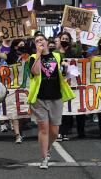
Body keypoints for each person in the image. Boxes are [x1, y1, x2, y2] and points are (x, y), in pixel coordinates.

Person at [28, 33, 75, 169]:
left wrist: (66, 69)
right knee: (43, 129)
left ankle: (47, 147)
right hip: (39, 99)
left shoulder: (57, 56)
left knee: (54, 131)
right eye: (37, 41)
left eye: (41, 40)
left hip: (56, 97)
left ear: (47, 42)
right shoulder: (32, 58)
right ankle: (44, 158)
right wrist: (38, 54)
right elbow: (36, 72)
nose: (39, 42)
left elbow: (65, 74)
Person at [0, 38, 28, 144]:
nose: (23, 46)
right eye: (21, 44)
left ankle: (21, 129)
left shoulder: (29, 56)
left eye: (24, 44)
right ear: (15, 47)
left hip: (26, 88)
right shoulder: (10, 56)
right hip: (13, 87)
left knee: (24, 113)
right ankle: (17, 135)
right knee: (15, 112)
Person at [56, 30, 85, 141]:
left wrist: (78, 37)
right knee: (60, 109)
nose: (64, 41)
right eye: (63, 39)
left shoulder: (72, 52)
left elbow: (78, 53)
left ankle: (65, 131)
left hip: (72, 83)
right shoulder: (56, 53)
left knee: (69, 108)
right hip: (59, 83)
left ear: (69, 41)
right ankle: (59, 131)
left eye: (66, 40)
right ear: (59, 40)